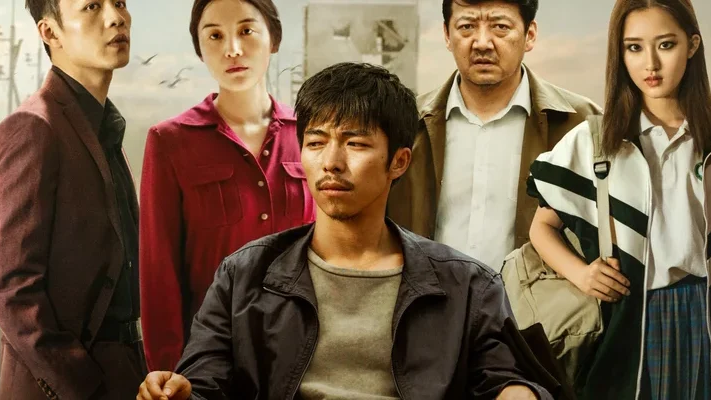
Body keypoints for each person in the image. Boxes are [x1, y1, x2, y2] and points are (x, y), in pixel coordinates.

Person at [136, 62, 553, 400]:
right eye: (316, 143)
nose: (331, 162)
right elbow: (204, 382)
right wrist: (178, 392)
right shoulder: (244, 276)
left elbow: (505, 378)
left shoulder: (467, 286)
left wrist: (518, 392)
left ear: (399, 162)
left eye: (355, 144)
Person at [527, 0, 711, 398]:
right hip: (631, 320)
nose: (651, 64)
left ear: (692, 45)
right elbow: (541, 227)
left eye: (666, 45)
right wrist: (581, 274)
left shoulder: (706, 136)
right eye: (634, 48)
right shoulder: (595, 139)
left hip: (703, 311)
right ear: (620, 53)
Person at [139, 0, 315, 372]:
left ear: (274, 39)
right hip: (211, 360)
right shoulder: (170, 141)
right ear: (199, 50)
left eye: (246, 31)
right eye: (215, 36)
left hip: (303, 356)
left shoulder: (310, 135)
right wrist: (168, 372)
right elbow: (158, 271)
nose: (232, 49)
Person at [0, 0, 145, 399]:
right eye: (92, 6)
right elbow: (11, 287)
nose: (116, 17)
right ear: (50, 32)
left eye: (119, 2)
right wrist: (80, 385)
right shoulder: (33, 126)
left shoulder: (103, 126)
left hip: (125, 375)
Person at [388, 0, 601, 272]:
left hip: (536, 298)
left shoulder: (583, 123)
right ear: (446, 35)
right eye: (467, 26)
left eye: (500, 27)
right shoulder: (405, 123)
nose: (482, 43)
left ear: (530, 35)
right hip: (425, 294)